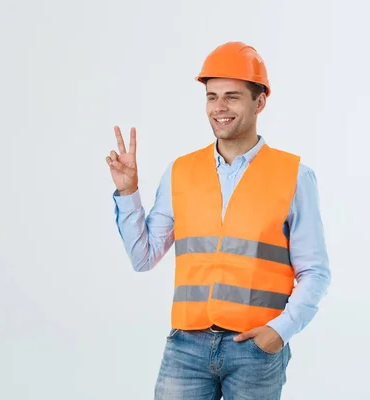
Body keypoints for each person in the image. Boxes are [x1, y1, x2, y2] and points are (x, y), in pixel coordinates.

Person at [106, 41, 331, 400]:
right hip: (186, 348)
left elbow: (315, 271)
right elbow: (143, 258)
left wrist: (280, 331)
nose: (219, 108)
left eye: (232, 97)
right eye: (212, 97)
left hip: (255, 349)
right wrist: (129, 192)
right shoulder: (180, 171)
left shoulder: (294, 176)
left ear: (259, 102)